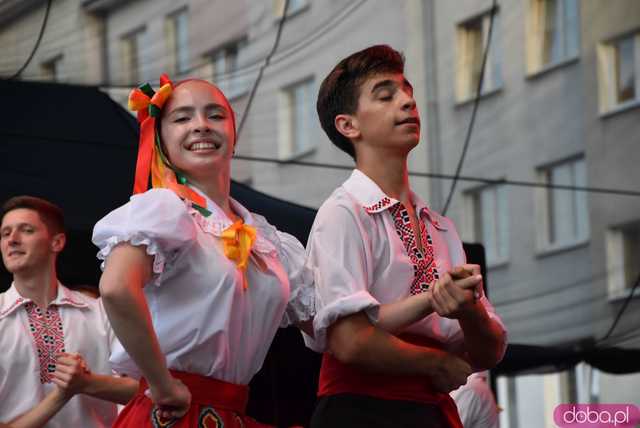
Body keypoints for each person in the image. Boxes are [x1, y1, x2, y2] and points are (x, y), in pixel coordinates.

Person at [92, 74, 314, 427]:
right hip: (170, 413)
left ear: (234, 134)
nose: (200, 126)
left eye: (215, 115)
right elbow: (116, 288)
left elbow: (331, 326)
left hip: (233, 413)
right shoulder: (165, 209)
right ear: (161, 141)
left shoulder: (268, 239)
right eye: (182, 118)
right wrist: (163, 385)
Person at [304, 45, 508, 428]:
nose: (407, 102)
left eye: (408, 92)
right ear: (348, 125)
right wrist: (436, 361)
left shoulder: (441, 227)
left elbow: (490, 351)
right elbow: (349, 341)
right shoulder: (343, 213)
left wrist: (469, 311)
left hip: (429, 413)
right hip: (361, 413)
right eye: (387, 95)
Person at [0, 196, 139, 427]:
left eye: (26, 230)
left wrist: (87, 383)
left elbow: (144, 391)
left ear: (57, 242)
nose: (12, 240)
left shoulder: (101, 311)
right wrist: (61, 396)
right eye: (5, 233)